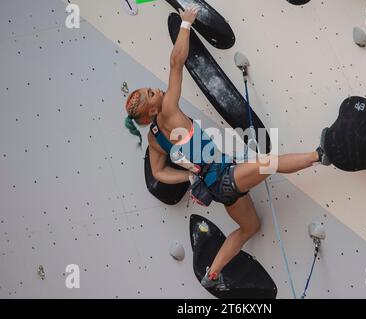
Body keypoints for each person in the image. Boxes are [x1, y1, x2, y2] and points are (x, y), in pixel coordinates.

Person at [124, 4, 330, 290]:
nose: (156, 90)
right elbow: (176, 62)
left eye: (150, 88)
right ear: (149, 113)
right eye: (151, 94)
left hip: (215, 185)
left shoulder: (154, 137)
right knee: (268, 163)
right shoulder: (168, 108)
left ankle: (212, 275)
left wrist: (188, 176)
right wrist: (185, 24)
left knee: (249, 228)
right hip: (222, 176)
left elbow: (158, 173)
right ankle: (320, 155)